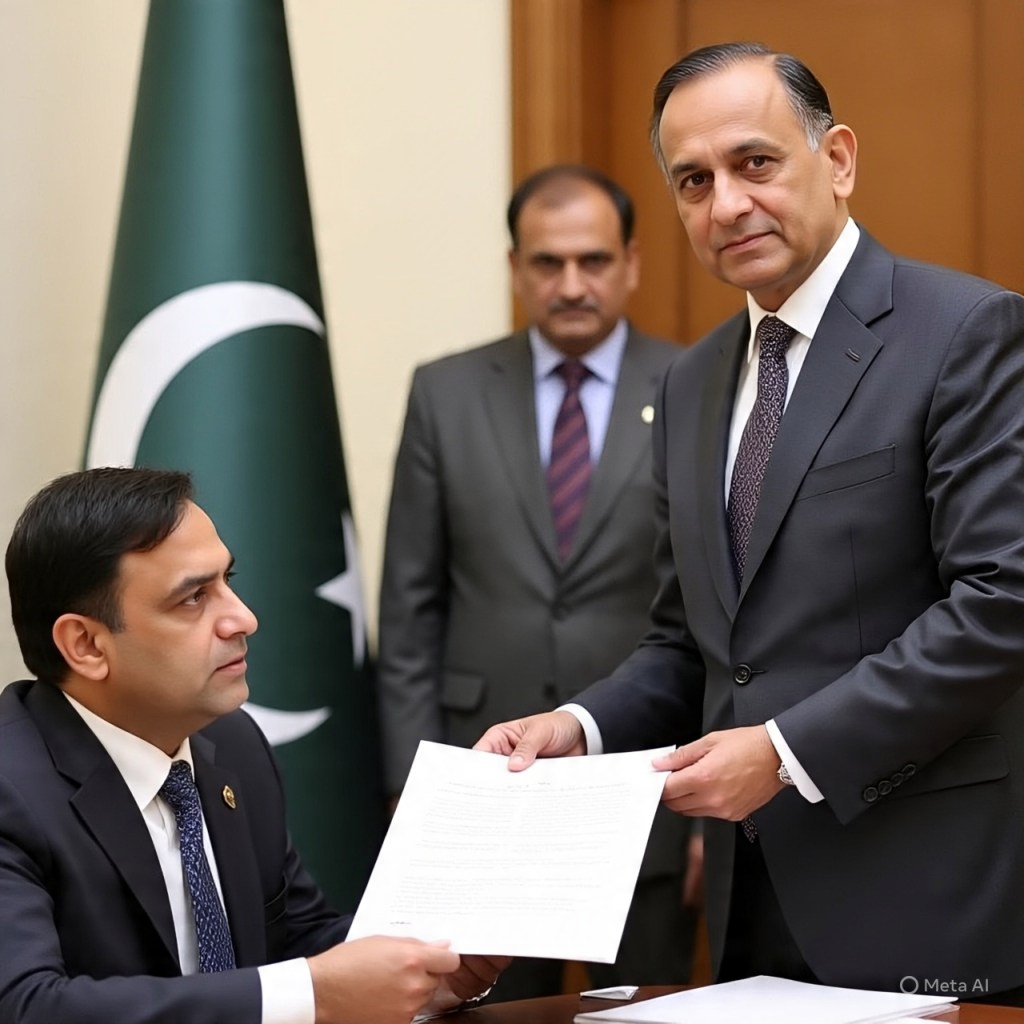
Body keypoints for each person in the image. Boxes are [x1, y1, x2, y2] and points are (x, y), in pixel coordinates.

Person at [475, 42, 1024, 1005]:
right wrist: (578, 726)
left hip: (925, 889)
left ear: (838, 160)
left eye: (754, 163)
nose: (726, 204)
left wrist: (783, 753)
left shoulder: (965, 331)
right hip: (750, 903)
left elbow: (1001, 603)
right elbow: (688, 644)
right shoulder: (690, 383)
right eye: (694, 180)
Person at [0, 467, 506, 1024]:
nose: (244, 618)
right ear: (86, 645)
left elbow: (297, 941)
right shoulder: (11, 790)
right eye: (194, 598)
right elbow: (28, 1007)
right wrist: (319, 994)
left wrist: (430, 968)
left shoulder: (232, 743)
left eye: (228, 580)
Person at [377, 164, 698, 1000]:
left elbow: (721, 613)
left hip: (645, 786)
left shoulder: (696, 386)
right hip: (485, 791)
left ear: (632, 263)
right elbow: (409, 611)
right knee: (487, 1009)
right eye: (548, 263)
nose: (572, 285)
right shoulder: (445, 393)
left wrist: (715, 815)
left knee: (646, 1009)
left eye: (594, 261)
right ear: (515, 268)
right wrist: (415, 786)